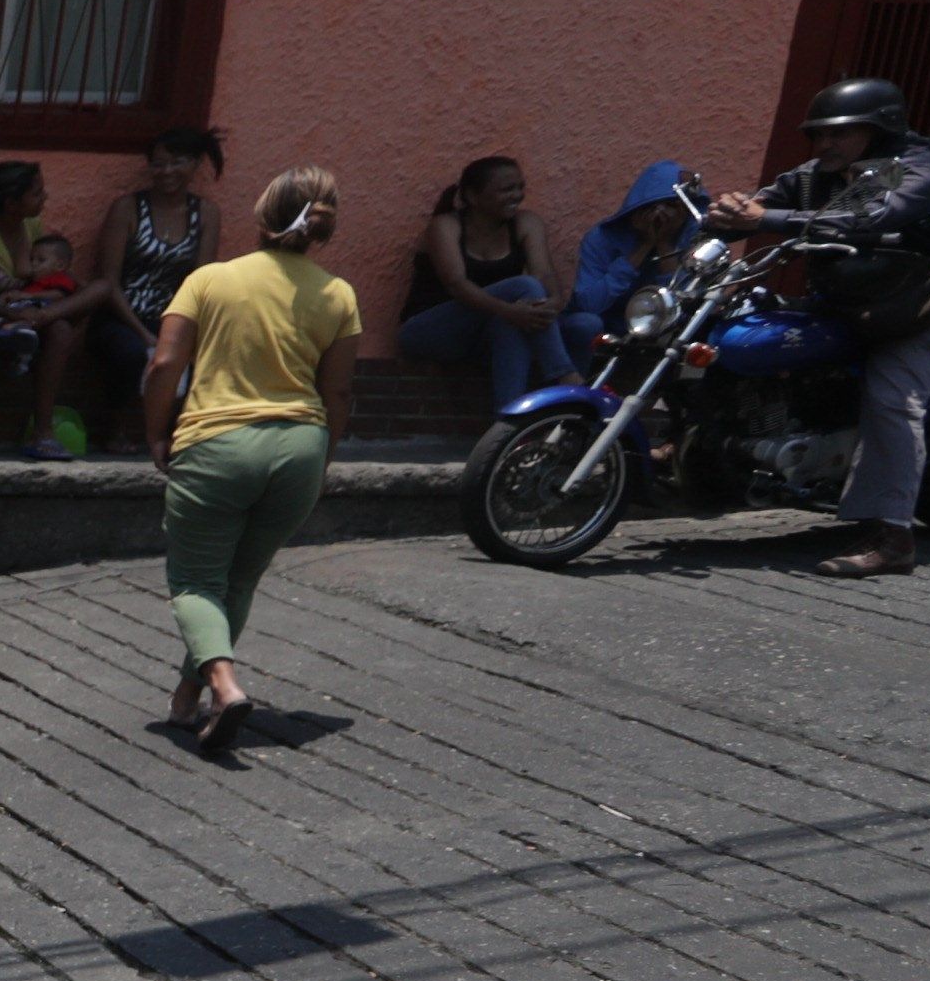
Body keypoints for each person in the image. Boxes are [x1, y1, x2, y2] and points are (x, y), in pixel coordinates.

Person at [706, 74, 930, 580]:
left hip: (921, 312)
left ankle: (894, 537)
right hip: (848, 306)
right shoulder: (814, 175)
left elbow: (868, 214)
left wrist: (766, 218)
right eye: (819, 134)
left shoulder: (909, 171)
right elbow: (764, 202)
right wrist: (725, 212)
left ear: (879, 130)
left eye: (840, 133)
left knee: (893, 399)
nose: (825, 143)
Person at [144, 168, 358, 754]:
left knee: (194, 581)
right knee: (238, 580)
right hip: (301, 447)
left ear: (262, 215)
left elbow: (165, 366)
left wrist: (157, 434)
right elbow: (337, 392)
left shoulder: (209, 280)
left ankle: (224, 686)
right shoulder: (339, 295)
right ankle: (188, 699)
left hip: (216, 445)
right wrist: (323, 457)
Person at [0, 160, 149, 459]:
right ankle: (42, 426)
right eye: (37, 193)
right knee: (58, 328)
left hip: (37, 314)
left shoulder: (32, 227)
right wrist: (15, 313)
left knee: (98, 291)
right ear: (11, 203)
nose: (45, 197)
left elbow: (43, 274)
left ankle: (42, 434)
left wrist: (70, 292)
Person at [397, 154, 599, 412]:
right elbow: (456, 284)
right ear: (472, 196)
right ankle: (565, 375)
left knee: (586, 324)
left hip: (492, 326)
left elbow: (544, 276)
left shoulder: (526, 223)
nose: (517, 195)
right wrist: (511, 311)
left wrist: (554, 303)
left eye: (520, 187)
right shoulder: (445, 226)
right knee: (523, 289)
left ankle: (515, 424)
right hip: (431, 331)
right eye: (506, 189)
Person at [87, 125, 224, 346]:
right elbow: (109, 281)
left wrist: (177, 334)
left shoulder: (207, 213)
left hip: (174, 318)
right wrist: (144, 335)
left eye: (177, 162)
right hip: (122, 317)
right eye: (159, 164)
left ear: (196, 164)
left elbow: (200, 283)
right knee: (130, 354)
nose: (167, 171)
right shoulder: (127, 208)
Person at [571, 159, 698, 330]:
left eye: (671, 206)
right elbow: (589, 304)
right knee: (585, 324)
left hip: (659, 327)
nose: (659, 216)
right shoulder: (601, 238)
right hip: (606, 327)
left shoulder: (692, 237)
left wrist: (664, 245)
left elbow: (682, 303)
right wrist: (643, 246)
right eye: (651, 207)